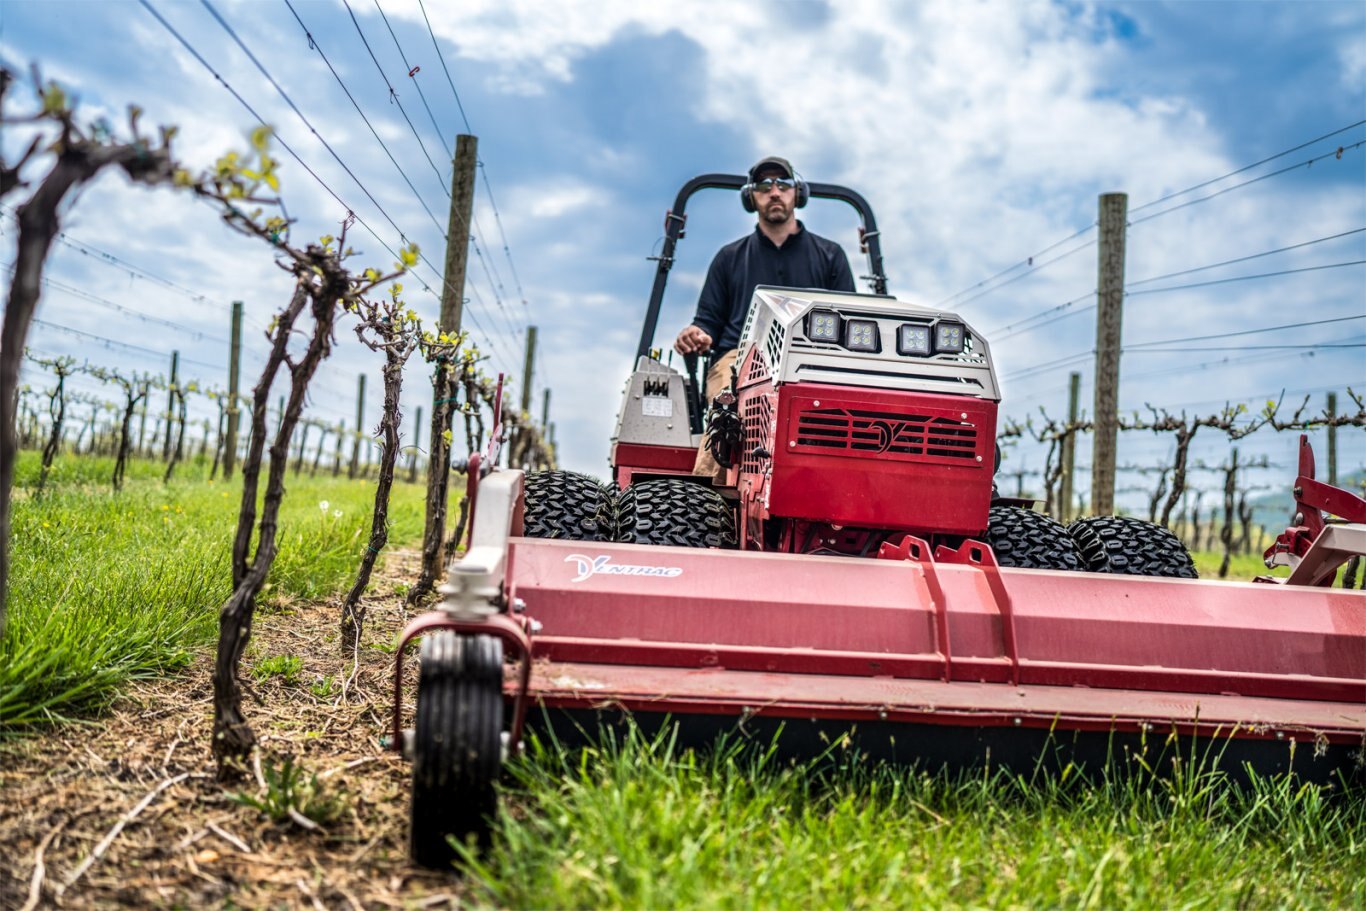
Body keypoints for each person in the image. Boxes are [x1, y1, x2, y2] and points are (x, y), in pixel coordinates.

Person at [673, 155, 856, 477]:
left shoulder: (830, 256)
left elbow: (849, 323)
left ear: (797, 193)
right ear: (751, 197)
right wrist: (697, 334)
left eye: (782, 184)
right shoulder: (729, 258)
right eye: (763, 186)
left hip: (815, 361)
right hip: (739, 358)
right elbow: (708, 321)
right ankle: (702, 509)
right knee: (726, 414)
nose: (774, 192)